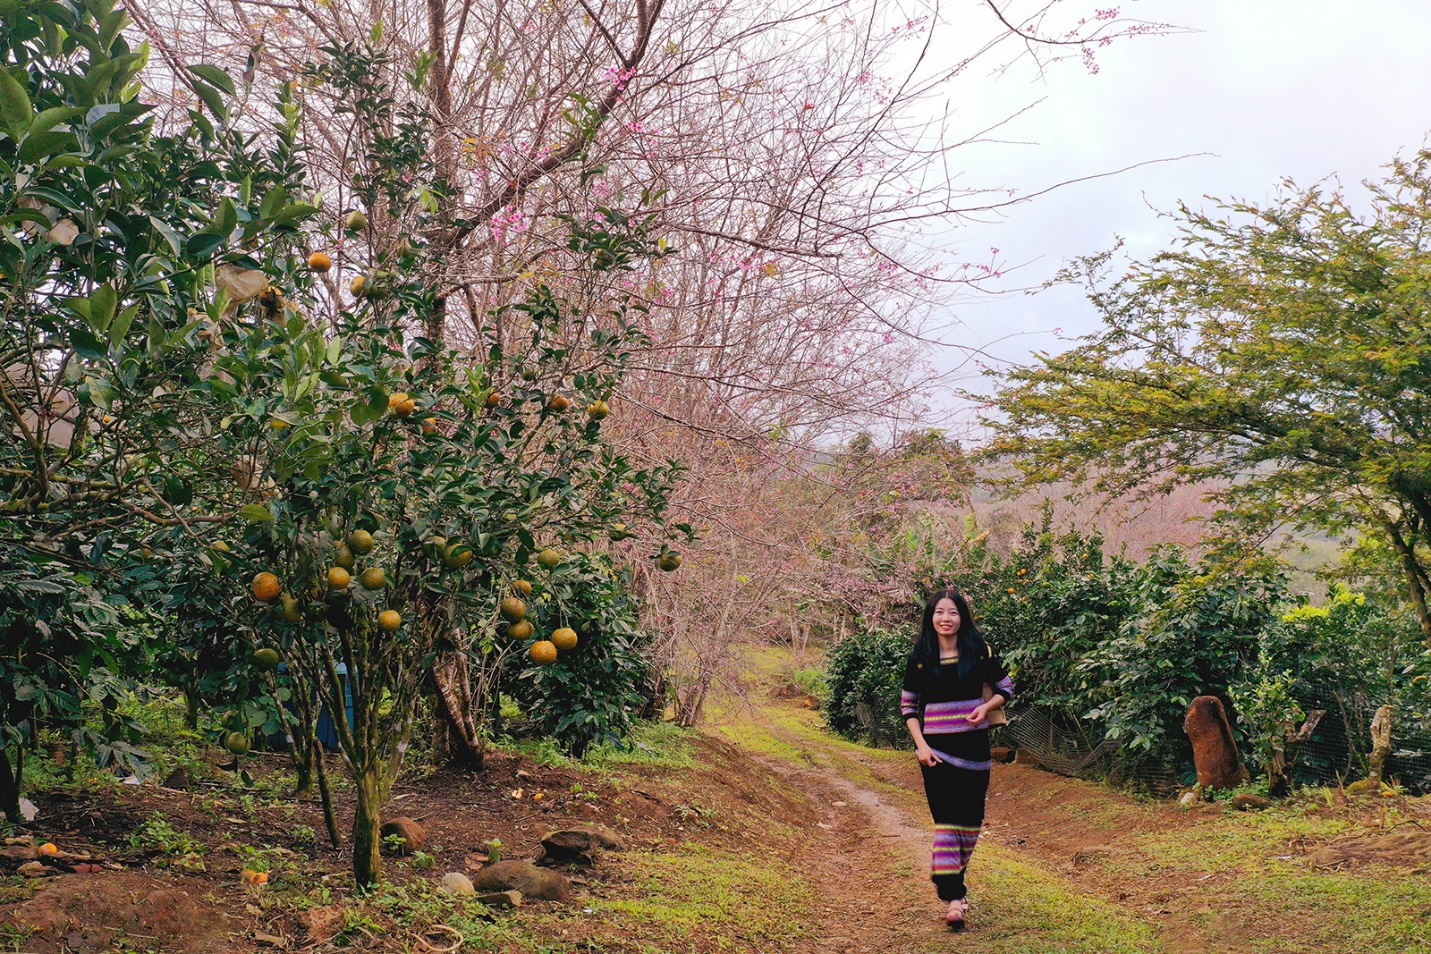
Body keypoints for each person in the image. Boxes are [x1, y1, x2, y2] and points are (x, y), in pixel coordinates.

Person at [900, 588, 1013, 930]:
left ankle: (955, 889)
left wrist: (985, 706)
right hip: (936, 755)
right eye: (939, 612)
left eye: (952, 612)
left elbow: (1006, 687)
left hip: (975, 754)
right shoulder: (920, 657)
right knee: (948, 824)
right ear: (930, 617)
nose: (945, 618)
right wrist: (921, 746)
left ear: (962, 618)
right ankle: (953, 898)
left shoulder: (979, 653)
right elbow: (909, 707)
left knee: (969, 826)